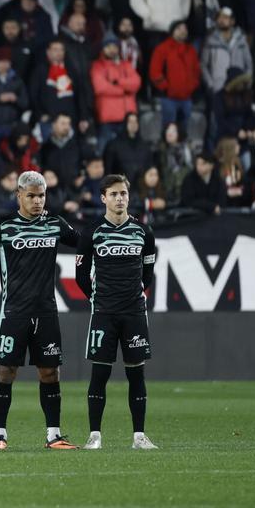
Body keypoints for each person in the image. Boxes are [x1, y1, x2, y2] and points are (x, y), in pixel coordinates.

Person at [0, 170, 81, 449]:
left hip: (47, 312)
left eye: (41, 196)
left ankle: (54, 435)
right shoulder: (3, 225)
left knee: (50, 372)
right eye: (31, 196)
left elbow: (84, 243)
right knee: (6, 372)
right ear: (19, 196)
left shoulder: (55, 223)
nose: (38, 201)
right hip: (14, 312)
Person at [75, 174, 159, 450]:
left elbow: (148, 273)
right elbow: (80, 275)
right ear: (103, 198)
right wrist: (96, 298)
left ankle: (139, 436)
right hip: (104, 313)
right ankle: (95, 435)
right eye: (113, 194)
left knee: (137, 373)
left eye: (123, 193)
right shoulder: (92, 232)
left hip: (134, 312)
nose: (119, 198)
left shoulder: (143, 232)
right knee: (100, 374)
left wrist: (133, 295)